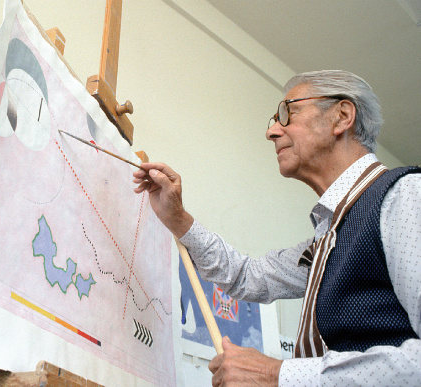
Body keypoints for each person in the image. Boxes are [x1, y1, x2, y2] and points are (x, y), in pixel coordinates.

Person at [133, 70, 420, 387]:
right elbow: (246, 276)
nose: (272, 132)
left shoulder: (406, 196)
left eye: (288, 112)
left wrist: (276, 374)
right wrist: (178, 219)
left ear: (341, 117)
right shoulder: (330, 235)